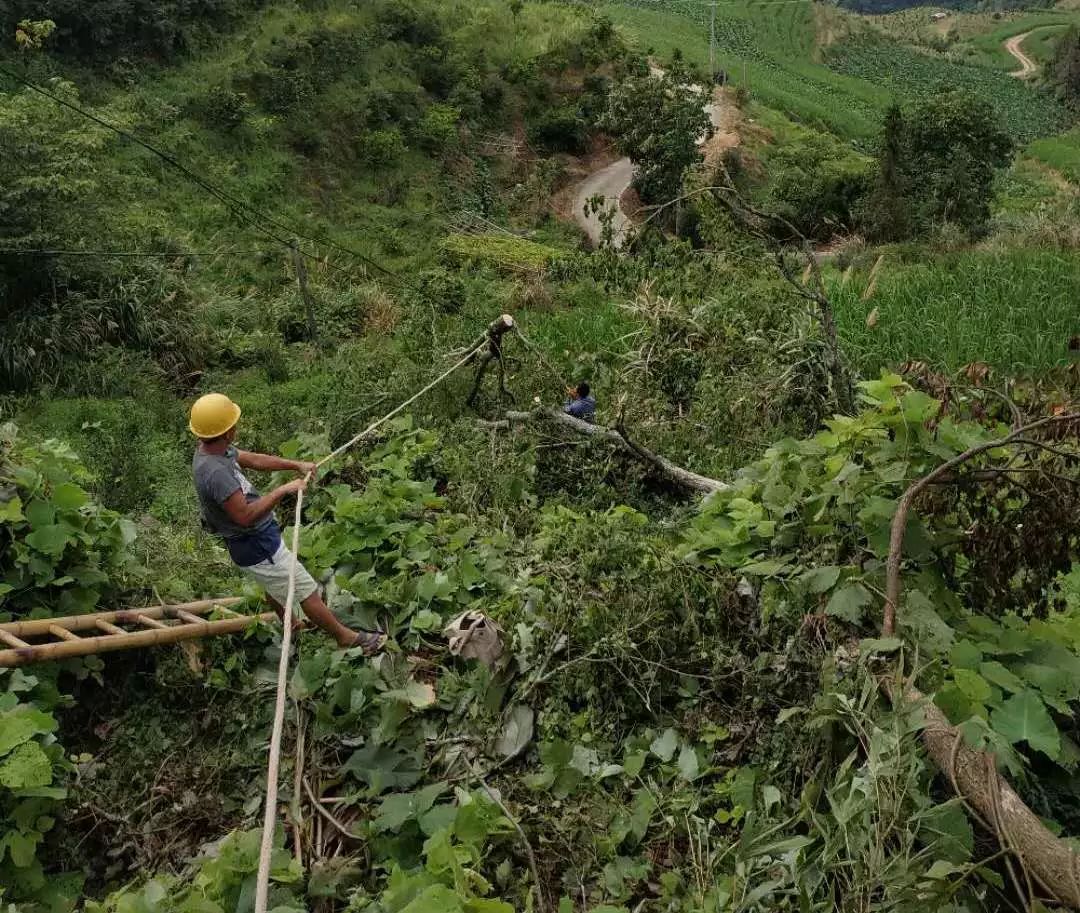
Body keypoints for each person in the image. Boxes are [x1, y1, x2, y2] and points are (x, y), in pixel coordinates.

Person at [189, 393, 385, 653]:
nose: (236, 428)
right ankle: (345, 637)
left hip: (255, 543)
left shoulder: (213, 450)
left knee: (274, 584)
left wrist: (295, 465)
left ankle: (291, 625)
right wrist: (283, 490)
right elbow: (245, 516)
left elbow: (254, 460)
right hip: (256, 545)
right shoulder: (215, 473)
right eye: (233, 424)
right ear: (226, 432)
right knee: (305, 590)